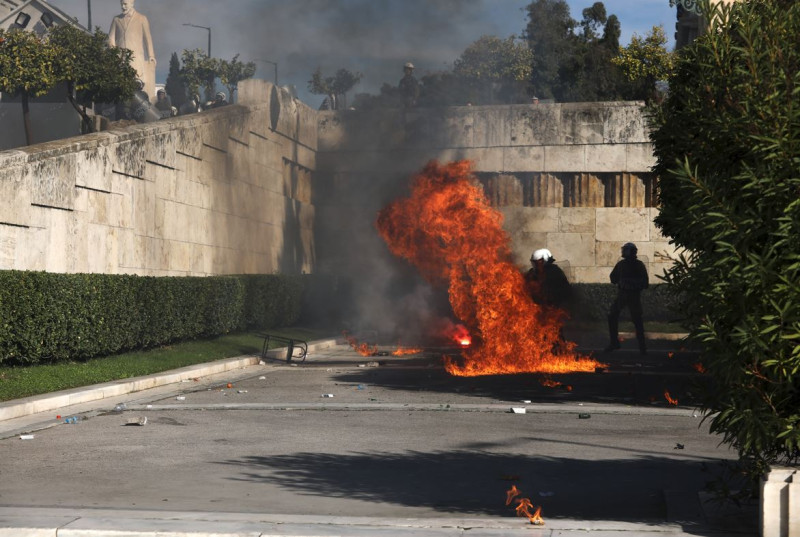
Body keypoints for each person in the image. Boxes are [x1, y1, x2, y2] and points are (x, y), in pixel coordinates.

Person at [605, 242, 649, 354]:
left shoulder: (637, 265)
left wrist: (631, 283)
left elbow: (645, 283)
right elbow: (613, 278)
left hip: (633, 296)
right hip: (624, 295)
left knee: (637, 320)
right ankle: (615, 342)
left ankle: (642, 347)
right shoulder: (623, 265)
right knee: (613, 316)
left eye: (625, 250)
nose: (623, 252)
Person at [108, 0, 156, 101]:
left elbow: (148, 38)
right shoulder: (116, 19)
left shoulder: (141, 18)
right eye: (121, 4)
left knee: (137, 84)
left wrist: (151, 55)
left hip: (136, 59)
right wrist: (114, 53)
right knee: (121, 85)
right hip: (120, 59)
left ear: (132, 4)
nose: (123, 6)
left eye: (125, 4)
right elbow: (111, 38)